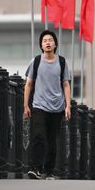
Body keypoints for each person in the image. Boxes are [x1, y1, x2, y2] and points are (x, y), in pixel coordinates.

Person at [24, 30, 71, 180]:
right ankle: (35, 168)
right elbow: (28, 84)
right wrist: (26, 105)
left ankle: (49, 171)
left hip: (57, 107)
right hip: (39, 105)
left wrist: (68, 106)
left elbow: (66, 84)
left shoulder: (62, 62)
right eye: (45, 41)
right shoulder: (36, 61)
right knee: (39, 135)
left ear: (55, 44)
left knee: (52, 140)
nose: (48, 42)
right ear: (41, 45)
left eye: (50, 40)